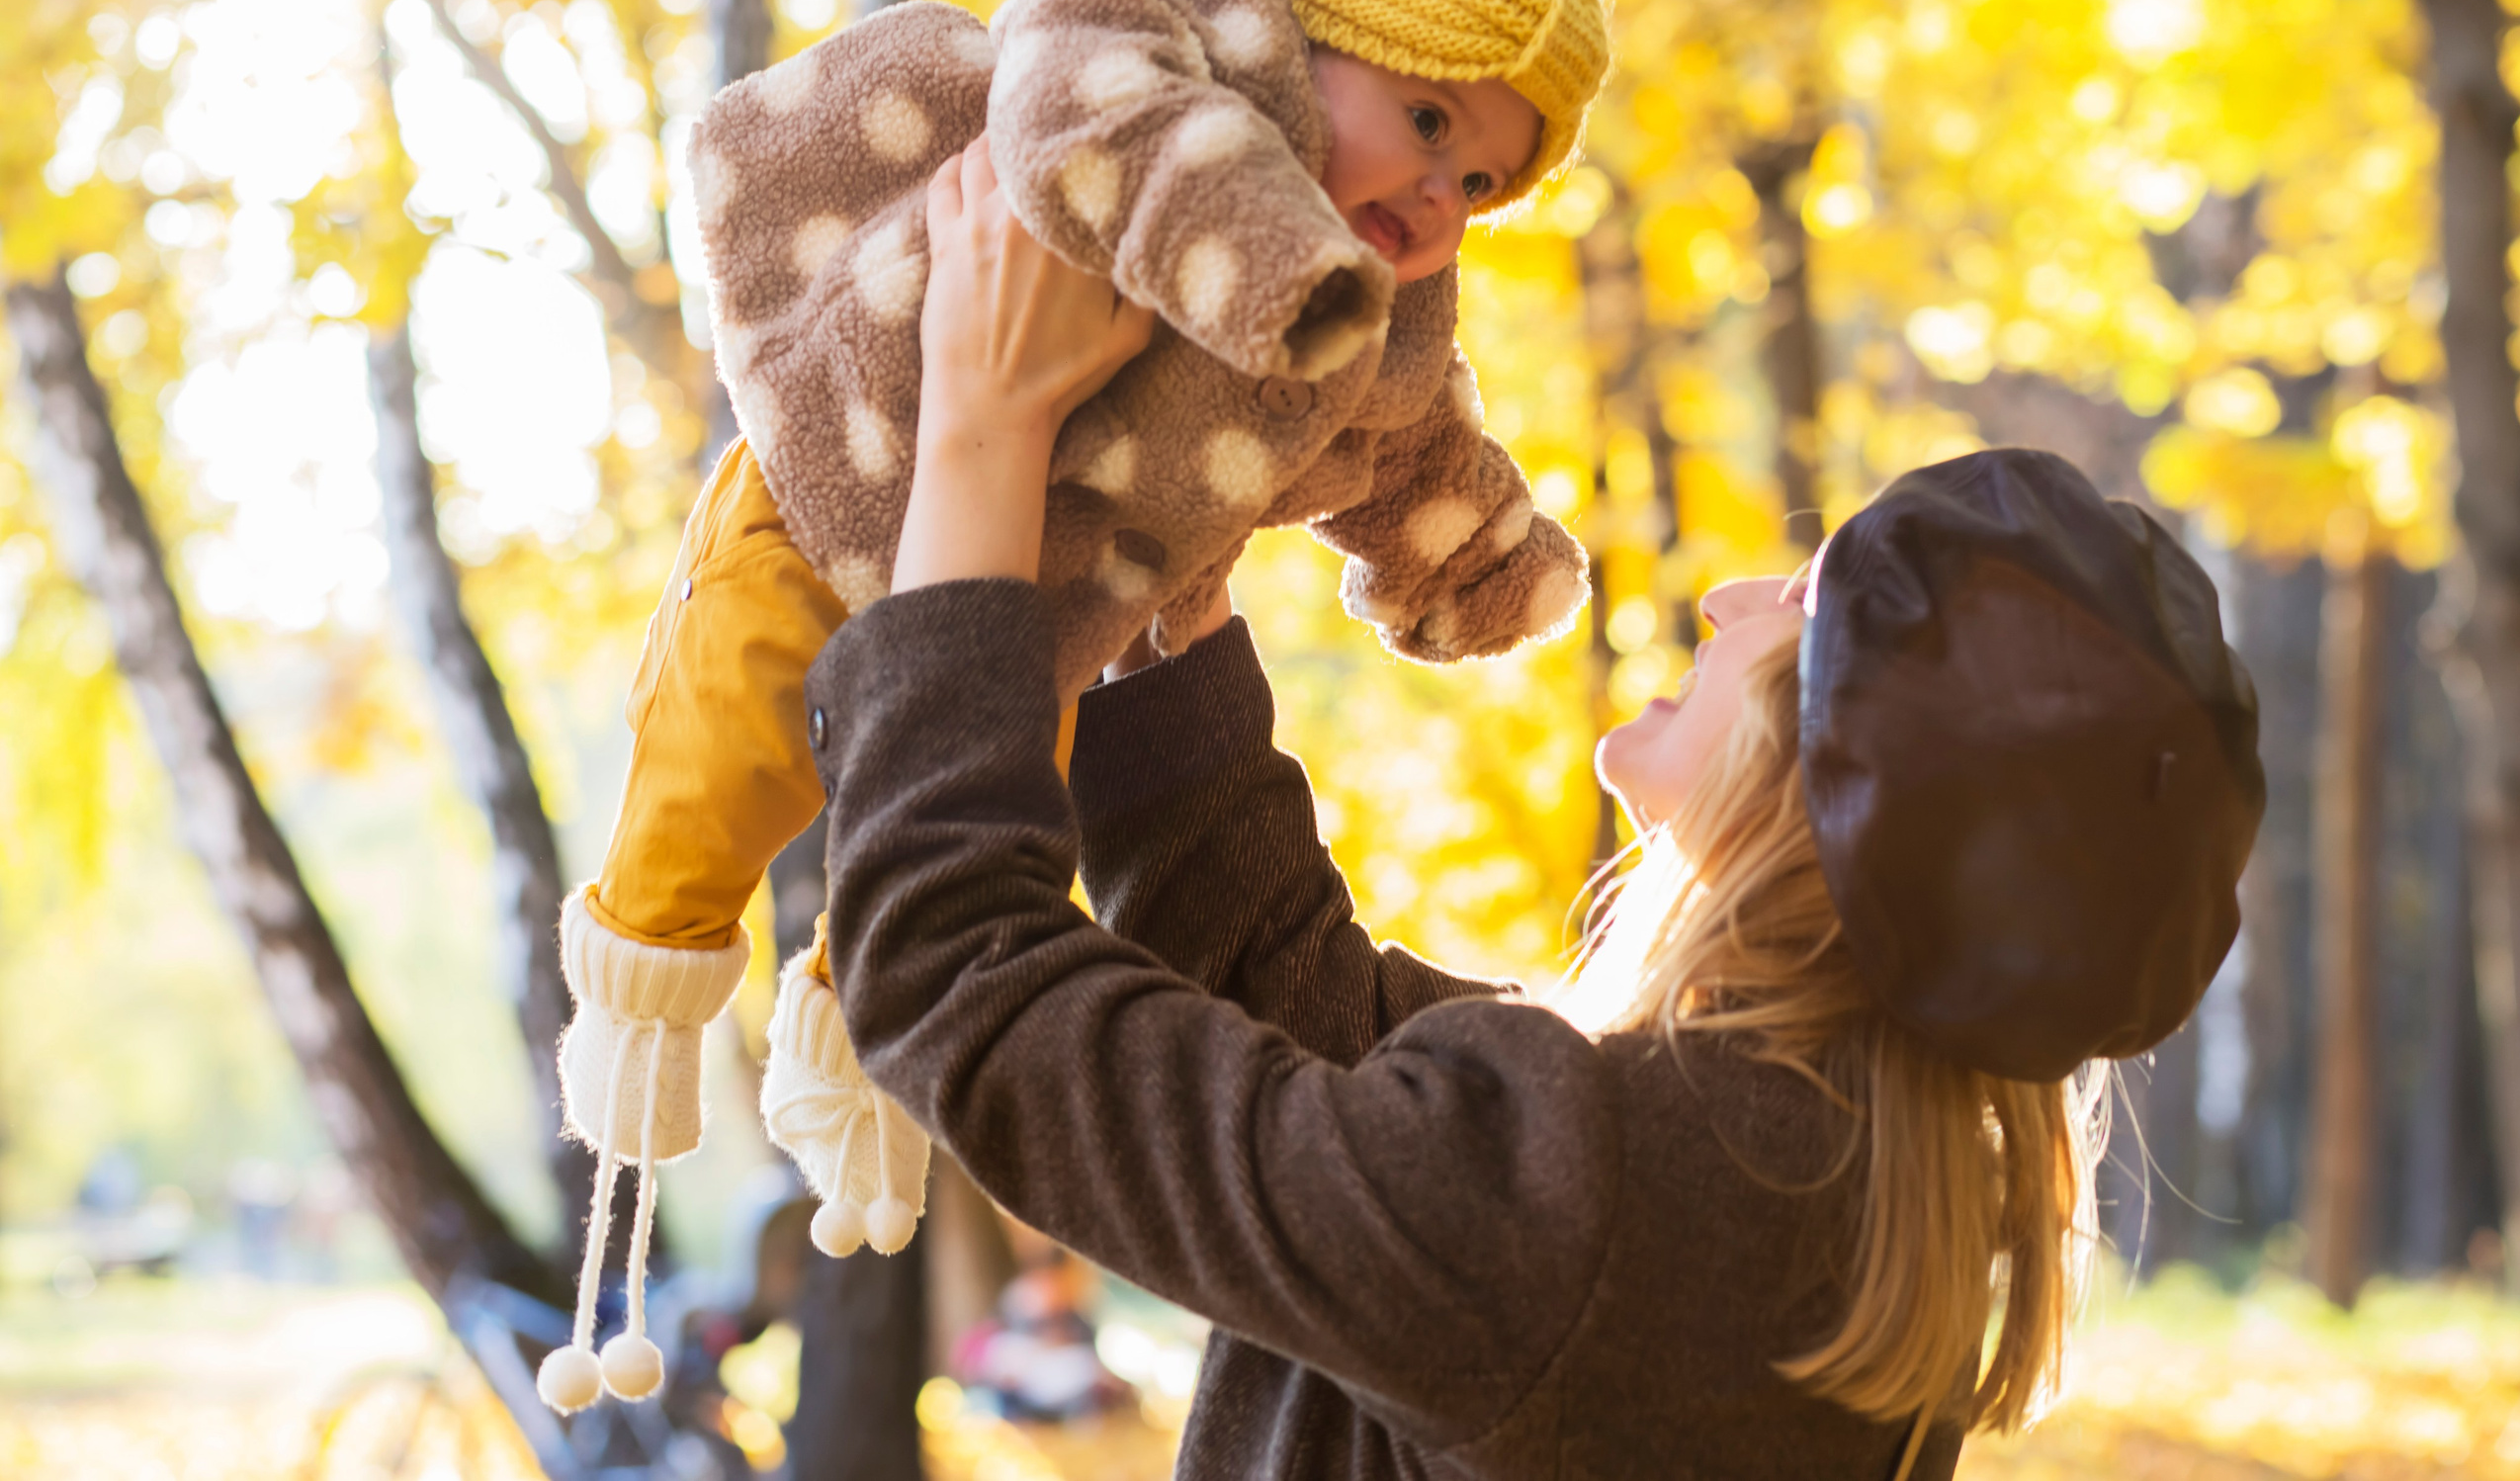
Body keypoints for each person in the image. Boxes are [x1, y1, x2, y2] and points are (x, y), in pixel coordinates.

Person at [783, 141, 2266, 1478]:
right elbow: (1310, 1024)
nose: (1736, 598)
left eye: (1811, 608)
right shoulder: (1802, 1185)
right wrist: (1171, 603)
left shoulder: (1601, 1201)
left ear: (1867, 785)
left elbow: (966, 978)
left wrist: (983, 428)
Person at [538, 0, 1613, 1411]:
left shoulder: (1376, 316)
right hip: (843, 483)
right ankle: (634, 1034)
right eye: (1430, 120)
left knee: (977, 852)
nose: (1443, 194)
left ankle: (855, 1074)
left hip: (1027, 617)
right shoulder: (1174, 23)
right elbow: (1080, 105)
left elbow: (1416, 444)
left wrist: (1483, 561)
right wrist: (1265, 262)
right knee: (717, 757)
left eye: (1486, 182)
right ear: (1319, 26)